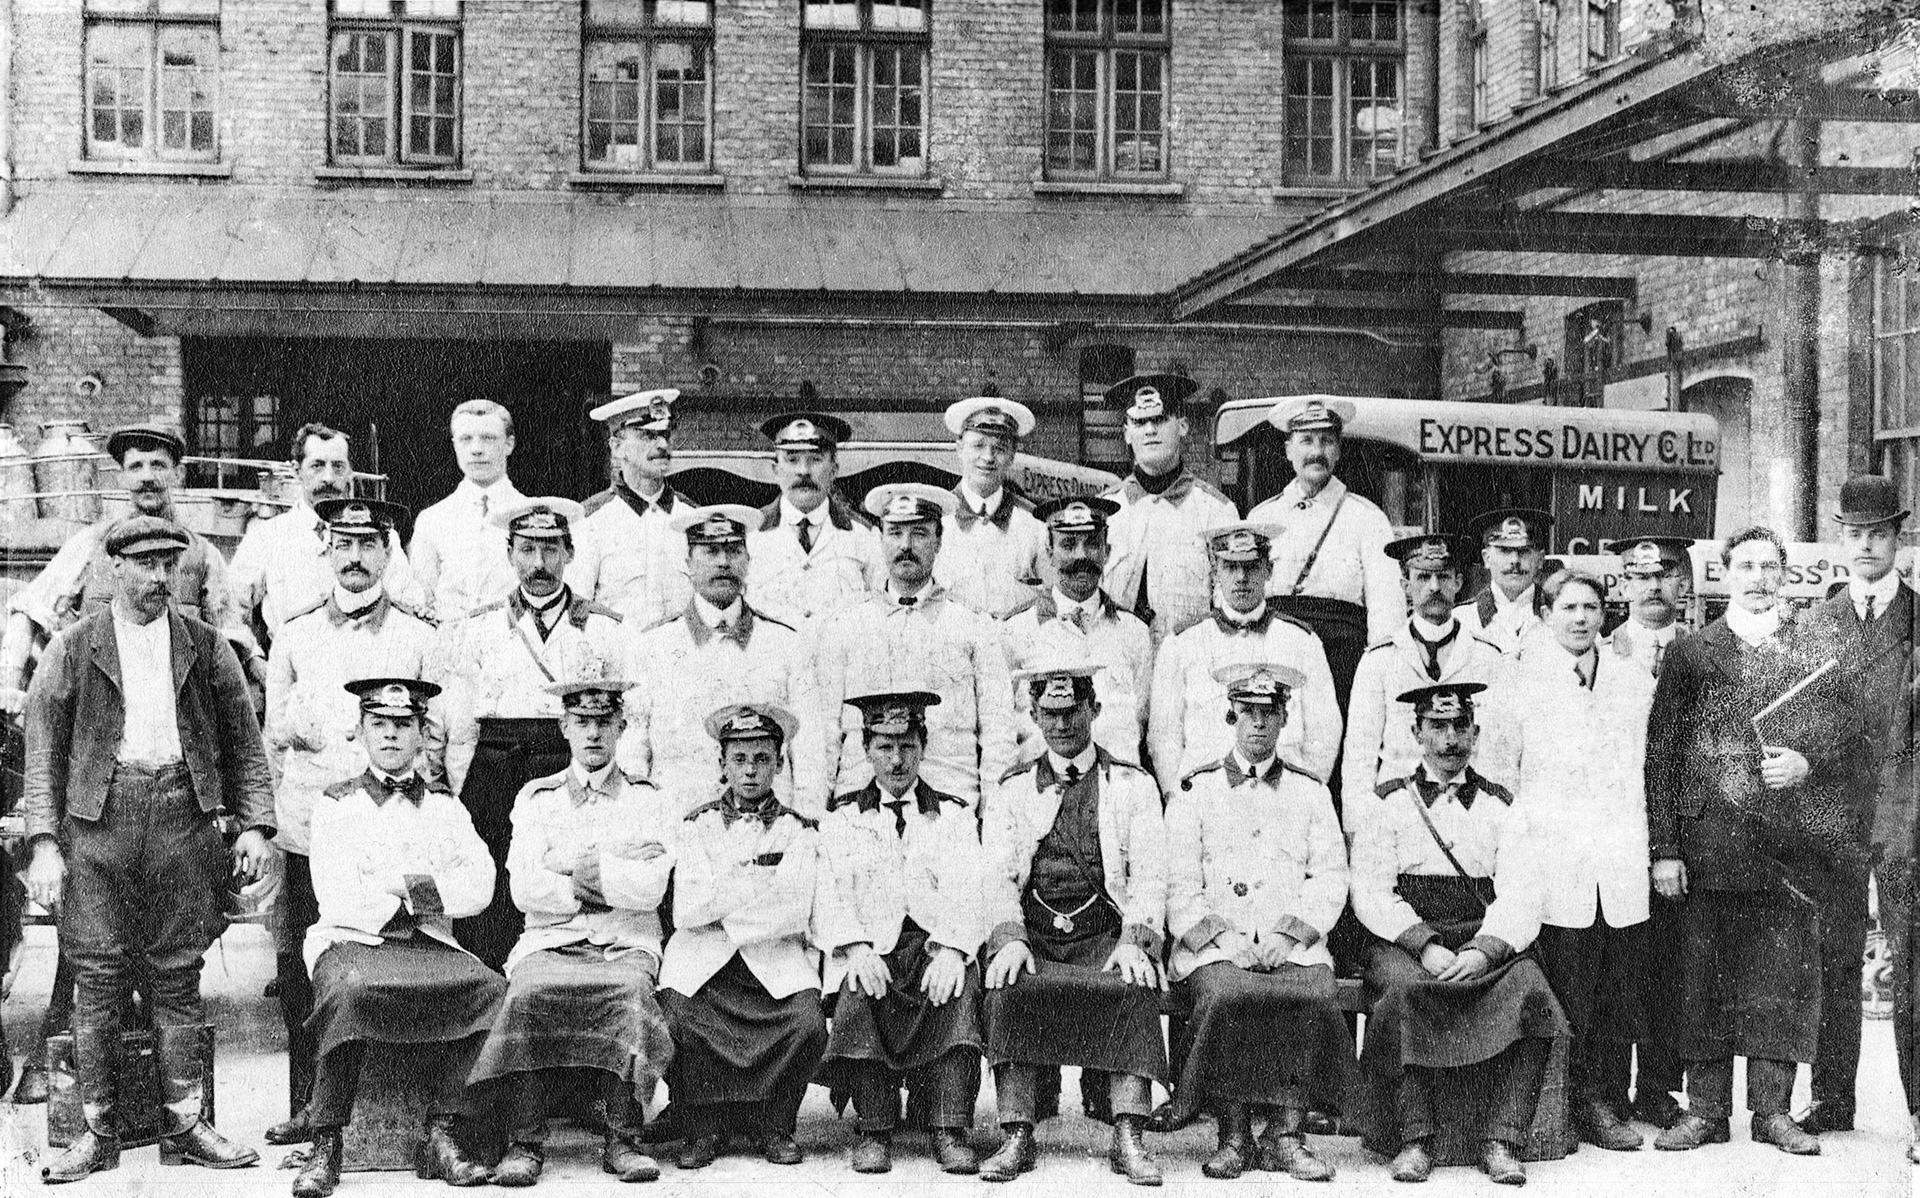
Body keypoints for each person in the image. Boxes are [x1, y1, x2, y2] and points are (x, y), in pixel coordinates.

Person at [0, 422, 254, 1107]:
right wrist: (10, 683)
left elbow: (234, 645)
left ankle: (172, 1105)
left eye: (158, 465)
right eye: (135, 466)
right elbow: (30, 614)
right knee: (91, 950)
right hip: (101, 778)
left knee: (176, 954)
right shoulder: (89, 547)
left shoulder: (203, 555)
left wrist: (233, 792)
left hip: (176, 778)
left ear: (177, 474)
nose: (146, 477)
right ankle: (75, 1087)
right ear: (121, 477)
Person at [21, 514, 274, 1182]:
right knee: (97, 974)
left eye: (169, 564)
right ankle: (96, 1130)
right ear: (115, 568)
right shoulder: (72, 648)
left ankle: (186, 1123)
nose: (160, 577)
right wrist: (44, 844)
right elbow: (41, 754)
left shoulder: (206, 646)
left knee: (178, 970)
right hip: (96, 825)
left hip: (183, 819)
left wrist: (254, 825)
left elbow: (244, 743)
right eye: (146, 564)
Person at [1645, 526, 1868, 1156]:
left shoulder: (1813, 648)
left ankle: (1772, 1113)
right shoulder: (1692, 652)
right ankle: (1706, 1113)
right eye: (1745, 566)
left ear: (1785, 575)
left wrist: (1806, 764)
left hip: (1786, 850)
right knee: (1704, 980)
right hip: (1708, 843)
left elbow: (1847, 738)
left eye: (1770, 566)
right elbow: (1662, 755)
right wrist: (1665, 848)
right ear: (1725, 574)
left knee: (1781, 978)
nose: (1758, 578)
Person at [261, 497, 445, 1148]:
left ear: (388, 552)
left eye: (369, 544)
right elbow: (272, 731)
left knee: (400, 956)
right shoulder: (296, 632)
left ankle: (396, 1110)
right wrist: (295, 732)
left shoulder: (418, 636)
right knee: (298, 966)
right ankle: (307, 1106)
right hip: (310, 826)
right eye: (344, 543)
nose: (356, 557)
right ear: (327, 550)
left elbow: (441, 735)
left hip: (391, 830)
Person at [295, 677, 504, 1198]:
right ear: (361, 731)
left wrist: (405, 888)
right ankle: (326, 1141)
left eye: (403, 725)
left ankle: (444, 1130)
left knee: (490, 990)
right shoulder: (337, 805)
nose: (390, 735)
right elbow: (336, 892)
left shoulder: (445, 807)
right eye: (379, 724)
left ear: (422, 734)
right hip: (353, 940)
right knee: (349, 991)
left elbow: (480, 885)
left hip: (430, 942)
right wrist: (425, 891)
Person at [467, 670, 677, 1187]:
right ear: (563, 727)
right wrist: (611, 870)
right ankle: (525, 1139)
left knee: (628, 994)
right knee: (527, 993)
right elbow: (525, 890)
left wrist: (569, 869)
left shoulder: (649, 799)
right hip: (551, 940)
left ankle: (622, 1137)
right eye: (581, 721)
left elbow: (650, 889)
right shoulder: (536, 798)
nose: (593, 733)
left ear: (622, 726)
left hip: (625, 941)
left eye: (604, 721)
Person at [1351, 682, 1565, 1186]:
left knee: (1532, 991)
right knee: (1403, 992)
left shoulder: (1500, 805)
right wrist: (1423, 945)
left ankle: (1502, 1138)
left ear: (1475, 733)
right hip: (1408, 940)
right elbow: (1371, 890)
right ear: (1416, 734)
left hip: (1478, 935)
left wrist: (1483, 952)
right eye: (1437, 727)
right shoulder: (1388, 802)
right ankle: (1415, 1138)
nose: (1449, 739)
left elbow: (1522, 891)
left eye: (1459, 727)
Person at [978, 658, 1169, 1186]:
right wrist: (1010, 939)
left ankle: (1128, 1132)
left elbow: (1151, 874)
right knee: (1009, 983)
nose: (1062, 725)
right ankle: (1018, 1132)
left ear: (1094, 709)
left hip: (1103, 935)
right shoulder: (1013, 788)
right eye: (1051, 713)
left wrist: (1135, 940)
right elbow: (995, 876)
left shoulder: (1131, 785)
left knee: (1133, 982)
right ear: (1035, 716)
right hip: (1036, 936)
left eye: (1073, 712)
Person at [1484, 570, 1655, 1153]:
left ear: (1604, 615)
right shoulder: (1518, 678)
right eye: (1568, 608)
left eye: (1590, 608)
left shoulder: (1632, 680)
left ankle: (1605, 1099)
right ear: (1545, 613)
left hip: (1619, 855)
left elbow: (1644, 769)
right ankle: (1566, 1104)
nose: (1580, 618)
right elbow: (1501, 775)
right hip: (1553, 860)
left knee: (1617, 988)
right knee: (1569, 986)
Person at [1164, 663, 1355, 1182]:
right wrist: (1224, 939)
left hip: (1288, 944)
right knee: (1229, 995)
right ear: (1231, 715)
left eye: (1269, 712)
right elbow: (1179, 883)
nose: (1258, 723)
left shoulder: (1310, 791)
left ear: (1284, 718)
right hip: (1216, 945)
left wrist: (1287, 934)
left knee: (1312, 994)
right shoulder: (1196, 790)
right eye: (1248, 712)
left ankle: (1286, 1134)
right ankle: (1234, 1134)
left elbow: (1330, 875)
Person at [436, 497, 635, 970]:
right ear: (509, 554)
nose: (539, 563)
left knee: (559, 875)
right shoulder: (481, 626)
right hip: (494, 766)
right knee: (493, 887)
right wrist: (464, 792)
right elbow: (460, 723)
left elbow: (627, 717)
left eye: (550, 549)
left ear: (570, 552)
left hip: (566, 763)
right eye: (527, 549)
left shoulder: (603, 627)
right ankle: (488, 983)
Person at [813, 691, 989, 1176]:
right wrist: (854, 947)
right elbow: (829, 893)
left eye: (907, 746)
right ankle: (874, 1127)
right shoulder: (843, 819)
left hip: (932, 947)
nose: (896, 760)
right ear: (866, 750)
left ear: (923, 746)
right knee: (859, 991)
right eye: (884, 747)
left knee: (958, 989)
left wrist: (953, 949)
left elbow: (971, 889)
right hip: (872, 948)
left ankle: (949, 1126)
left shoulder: (953, 815)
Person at [1794, 475, 1916, 1139]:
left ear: (1898, 538)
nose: (1866, 545)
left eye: (1878, 533)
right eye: (1855, 534)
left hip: (1907, 813)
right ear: (1841, 540)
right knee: (1831, 956)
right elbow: (1799, 722)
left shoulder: (1918, 617)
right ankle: (1832, 1099)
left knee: (1913, 957)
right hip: (1835, 815)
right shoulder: (1817, 622)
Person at [657, 703, 828, 1169]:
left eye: (762, 759)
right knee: (677, 1018)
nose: (750, 770)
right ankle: (702, 1125)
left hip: (773, 962)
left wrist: (726, 895)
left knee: (807, 1024)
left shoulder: (798, 829)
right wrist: (758, 887)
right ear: (722, 763)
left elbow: (793, 908)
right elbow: (688, 906)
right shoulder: (696, 826)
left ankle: (772, 1123)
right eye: (739, 759)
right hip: (704, 960)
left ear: (779, 763)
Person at [804, 483, 1016, 813]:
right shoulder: (845, 626)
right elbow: (823, 737)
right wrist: (815, 817)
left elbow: (998, 734)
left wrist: (992, 817)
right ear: (880, 539)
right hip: (860, 808)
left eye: (919, 533)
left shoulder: (973, 626)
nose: (906, 545)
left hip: (950, 805)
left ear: (939, 541)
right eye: (895, 533)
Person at [1596, 534, 1697, 1129]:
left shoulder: (1702, 652)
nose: (1654, 585)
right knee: (1619, 964)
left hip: (1680, 832)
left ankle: (1659, 1088)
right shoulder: (1601, 652)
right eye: (1641, 575)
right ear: (1623, 585)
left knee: (1670, 965)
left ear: (1683, 583)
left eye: (1665, 574)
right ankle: (1608, 1088)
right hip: (1617, 829)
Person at [625, 504, 810, 811]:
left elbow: (809, 752)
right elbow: (632, 753)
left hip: (770, 825)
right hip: (677, 819)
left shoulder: (785, 643)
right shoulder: (651, 647)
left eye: (734, 551)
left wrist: (804, 823)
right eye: (711, 552)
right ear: (688, 563)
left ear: (748, 561)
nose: (724, 562)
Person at [1147, 522, 1342, 795]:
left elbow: (1324, 732)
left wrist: (1305, 794)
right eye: (1230, 567)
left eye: (1251, 566)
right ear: (1214, 572)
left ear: (1268, 569)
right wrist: (1178, 797)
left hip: (1282, 797)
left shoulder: (1302, 641)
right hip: (1207, 799)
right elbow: (1164, 735)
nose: (1241, 577)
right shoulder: (1181, 643)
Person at [1247, 396, 1404, 712]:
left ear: (1339, 450)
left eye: (1327, 441)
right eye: (1306, 440)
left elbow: (1387, 614)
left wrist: (1379, 684)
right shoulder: (1262, 518)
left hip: (1343, 666)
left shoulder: (1367, 519)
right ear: (1288, 450)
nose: (1316, 452)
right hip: (1277, 661)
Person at [1341, 532, 1505, 834]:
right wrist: (1358, 828)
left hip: (1470, 813)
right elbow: (1359, 756)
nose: (1434, 587)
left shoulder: (1487, 656)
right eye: (1423, 577)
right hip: (1398, 812)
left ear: (1458, 582)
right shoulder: (1380, 659)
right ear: (1405, 586)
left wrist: (1501, 820)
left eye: (1443, 577)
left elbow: (1499, 747)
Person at [228, 422, 420, 644]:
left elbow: (409, 606)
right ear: (296, 470)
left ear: (349, 473)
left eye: (338, 467)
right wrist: (253, 656)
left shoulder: (382, 538)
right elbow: (230, 607)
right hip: (291, 660)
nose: (328, 478)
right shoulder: (267, 537)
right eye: (317, 466)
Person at [1001, 496, 1155, 764]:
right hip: (1042, 784)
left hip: (1117, 783)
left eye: (1092, 543)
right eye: (1068, 544)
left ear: (1107, 552)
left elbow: (1140, 719)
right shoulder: (1016, 630)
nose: (1081, 555)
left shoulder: (1134, 632)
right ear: (1049, 553)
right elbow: (1000, 729)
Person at [1099, 372, 1240, 643]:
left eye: (1161, 419)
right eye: (1139, 422)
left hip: (1189, 658)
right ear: (1127, 433)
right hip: (1118, 657)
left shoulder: (1215, 511)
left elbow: (1228, 606)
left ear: (1183, 426)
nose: (1150, 430)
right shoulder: (1106, 511)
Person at [569, 389, 697, 628]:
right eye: (648, 436)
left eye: (666, 434)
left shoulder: (692, 518)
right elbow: (576, 609)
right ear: (617, 447)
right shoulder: (590, 521)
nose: (662, 445)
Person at [745, 412, 879, 624]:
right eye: (792, 460)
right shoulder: (750, 534)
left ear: (834, 470)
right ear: (775, 470)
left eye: (815, 459)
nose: (804, 471)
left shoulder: (864, 537)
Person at [409, 399, 527, 622]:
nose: (476, 450)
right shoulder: (432, 520)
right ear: (454, 445)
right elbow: (422, 600)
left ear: (509, 444)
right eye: (466, 439)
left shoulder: (528, 515)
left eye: (488, 438)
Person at [932, 396, 1047, 618]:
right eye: (978, 446)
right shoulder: (938, 519)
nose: (988, 457)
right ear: (959, 449)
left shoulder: (1033, 524)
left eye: (1000, 448)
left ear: (1013, 455)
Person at [1455, 509, 1551, 654]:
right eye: (1505, 551)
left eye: (1524, 551)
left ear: (1540, 559)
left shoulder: (1560, 614)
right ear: (1486, 558)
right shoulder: (1462, 619)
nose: (1515, 560)